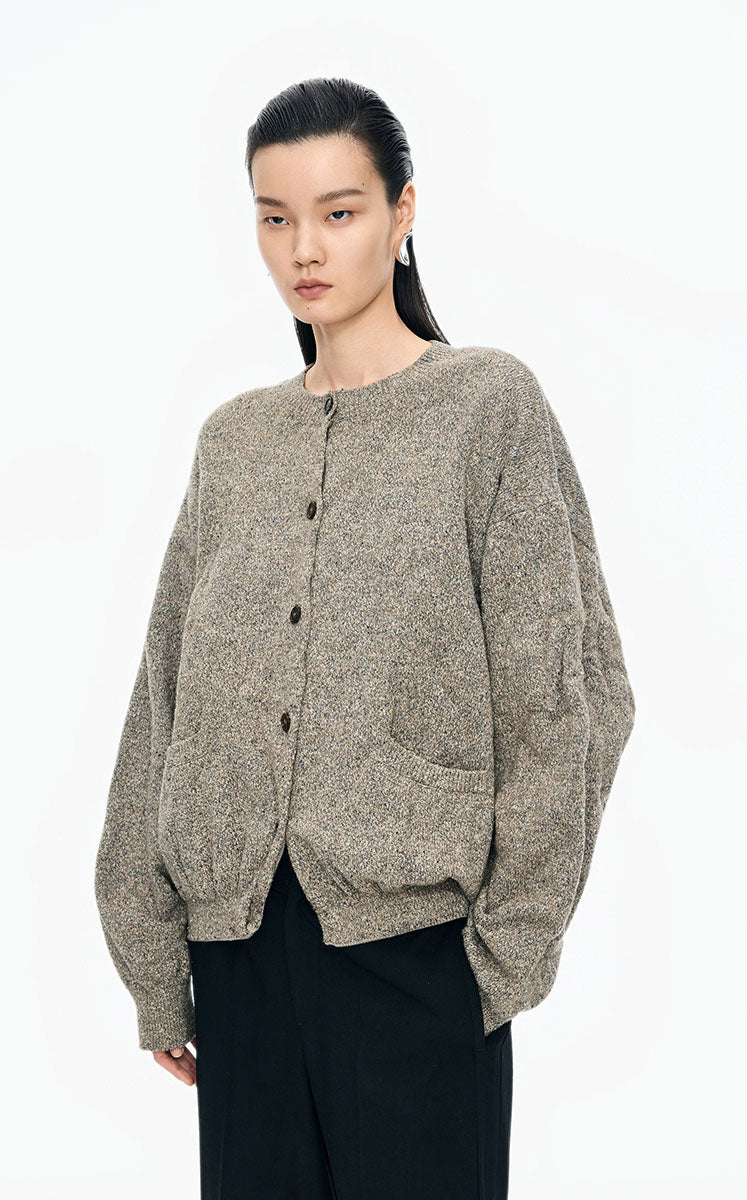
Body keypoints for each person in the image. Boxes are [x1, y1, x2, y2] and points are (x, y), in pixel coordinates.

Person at [94, 76, 636, 1200]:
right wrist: (151, 952)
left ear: (402, 212)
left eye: (338, 212)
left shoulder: (487, 407)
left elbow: (572, 695)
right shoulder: (234, 442)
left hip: (419, 963)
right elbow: (163, 696)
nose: (305, 247)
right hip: (237, 960)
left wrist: (501, 956)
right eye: (275, 216)